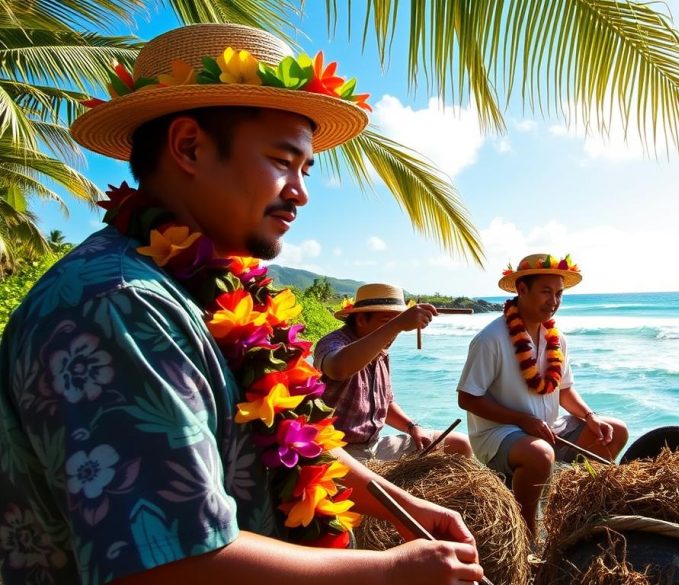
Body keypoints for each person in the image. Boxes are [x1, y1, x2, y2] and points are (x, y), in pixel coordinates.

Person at [0, 24, 483, 585]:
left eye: (306, 170)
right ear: (189, 147)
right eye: (283, 161)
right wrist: (388, 573)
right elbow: (170, 562)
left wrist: (401, 503)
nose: (301, 192)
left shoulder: (202, 289)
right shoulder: (118, 306)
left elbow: (289, 437)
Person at [457, 254, 628, 535]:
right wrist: (521, 420)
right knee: (539, 454)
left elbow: (564, 389)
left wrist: (590, 416)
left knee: (614, 432)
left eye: (559, 293)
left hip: (549, 429)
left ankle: (575, 514)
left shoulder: (556, 338)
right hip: (500, 435)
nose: (554, 301)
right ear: (521, 290)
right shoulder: (490, 339)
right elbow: (467, 398)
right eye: (546, 292)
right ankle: (527, 534)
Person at [314, 283, 472, 460]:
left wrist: (412, 427)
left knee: (459, 444)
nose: (394, 333)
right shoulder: (332, 343)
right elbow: (338, 368)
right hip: (338, 450)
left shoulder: (381, 353)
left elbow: (385, 404)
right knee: (383, 487)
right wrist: (397, 324)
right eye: (387, 322)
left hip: (375, 446)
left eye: (398, 324)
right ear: (360, 320)